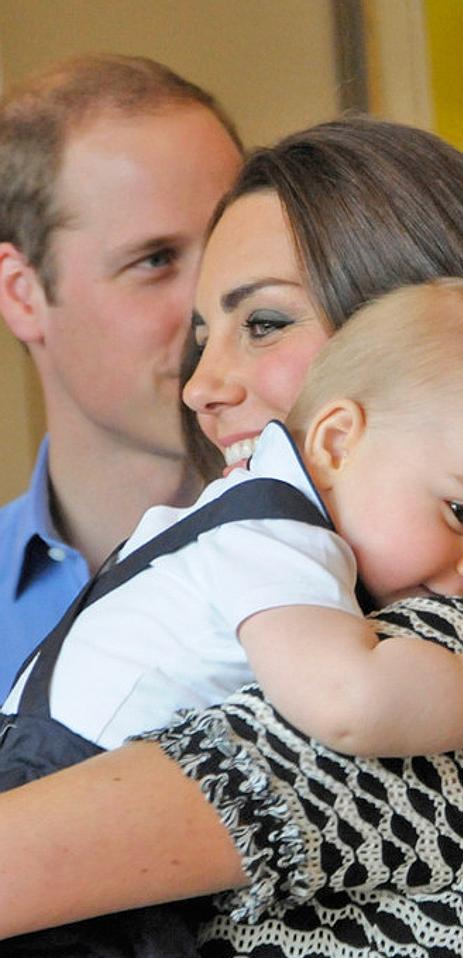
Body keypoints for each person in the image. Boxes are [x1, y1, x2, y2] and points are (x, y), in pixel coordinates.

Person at [0, 117, 463, 958]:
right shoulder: (298, 591)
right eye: (204, 332)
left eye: (263, 322)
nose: (199, 386)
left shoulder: (453, 678)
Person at [0, 53, 243, 699]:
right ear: (22, 295)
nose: (212, 303)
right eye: (155, 260)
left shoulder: (370, 565)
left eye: (226, 246)